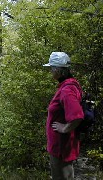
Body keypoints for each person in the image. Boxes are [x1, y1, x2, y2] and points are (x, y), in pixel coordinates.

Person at [43, 52, 84, 180]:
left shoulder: (67, 90)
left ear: (59, 71)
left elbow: (77, 115)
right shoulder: (70, 85)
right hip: (63, 146)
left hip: (61, 147)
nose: (50, 71)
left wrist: (65, 128)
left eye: (52, 68)